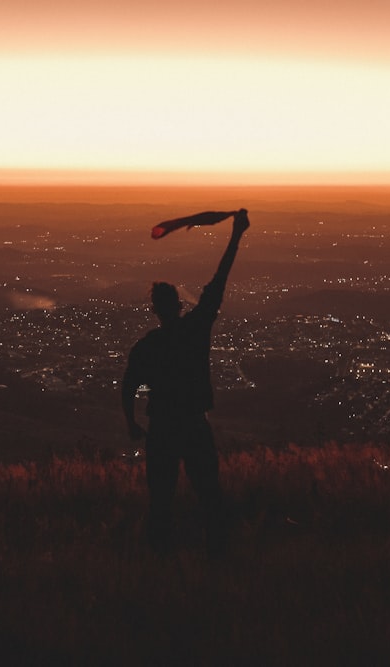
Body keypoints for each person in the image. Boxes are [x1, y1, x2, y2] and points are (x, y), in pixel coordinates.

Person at [122, 209, 250, 555]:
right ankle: (218, 555)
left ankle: (160, 560)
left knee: (160, 501)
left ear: (154, 310)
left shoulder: (147, 346)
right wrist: (236, 235)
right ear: (179, 305)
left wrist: (132, 423)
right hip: (194, 426)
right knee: (209, 495)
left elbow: (128, 386)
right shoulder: (195, 330)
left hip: (162, 428)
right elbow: (218, 282)